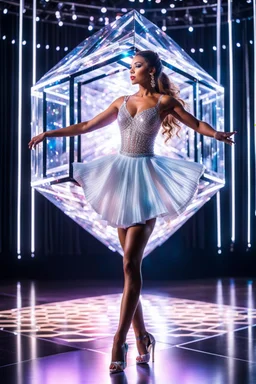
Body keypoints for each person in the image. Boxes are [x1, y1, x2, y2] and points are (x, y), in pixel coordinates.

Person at [28, 50, 236, 374]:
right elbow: (86, 125)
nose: (131, 70)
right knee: (129, 269)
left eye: (137, 65)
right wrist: (48, 133)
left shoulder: (164, 101)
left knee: (129, 263)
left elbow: (194, 122)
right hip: (119, 178)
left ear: (151, 70)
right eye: (130, 66)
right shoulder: (121, 101)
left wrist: (217, 134)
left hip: (145, 180)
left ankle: (118, 341)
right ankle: (143, 337)